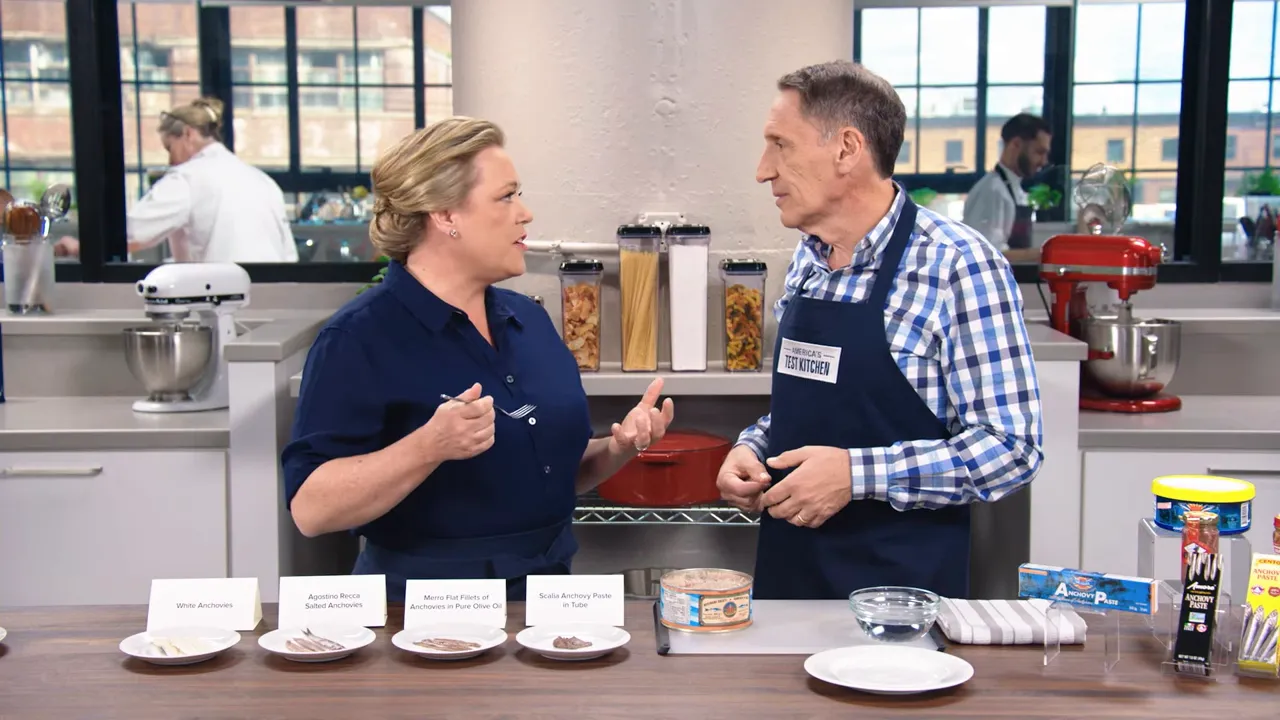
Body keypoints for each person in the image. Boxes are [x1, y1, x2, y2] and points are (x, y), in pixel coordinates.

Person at [281, 117, 675, 601]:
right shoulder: (358, 338)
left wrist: (617, 448)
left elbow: (549, 473)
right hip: (419, 615)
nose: (525, 213)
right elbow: (311, 509)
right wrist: (428, 446)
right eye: (506, 197)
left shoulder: (529, 321)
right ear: (445, 215)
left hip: (547, 602)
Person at [716, 61, 1043, 601]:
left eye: (781, 145)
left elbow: (1011, 449)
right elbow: (817, 404)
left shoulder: (958, 266)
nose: (762, 170)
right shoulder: (808, 259)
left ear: (847, 149)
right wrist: (754, 446)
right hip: (788, 582)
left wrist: (856, 474)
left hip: (903, 599)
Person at [54, 97, 298, 263]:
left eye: (169, 148)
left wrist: (77, 247)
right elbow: (289, 255)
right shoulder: (261, 180)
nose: (171, 159)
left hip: (224, 303)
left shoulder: (188, 178)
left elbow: (133, 234)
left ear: (188, 135)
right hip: (276, 304)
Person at [961, 113, 1052, 263]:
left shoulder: (1012, 189)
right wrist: (1044, 254)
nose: (1043, 162)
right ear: (1015, 144)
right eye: (1039, 152)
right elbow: (984, 254)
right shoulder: (992, 191)